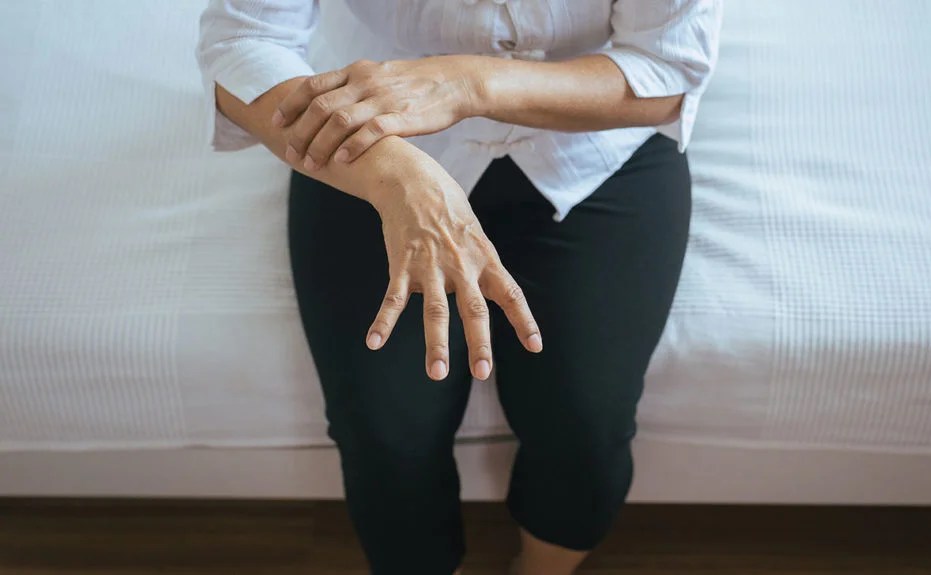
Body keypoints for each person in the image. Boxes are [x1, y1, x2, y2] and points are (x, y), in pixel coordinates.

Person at [196, 1, 722, 573]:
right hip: (369, 147)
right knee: (386, 435)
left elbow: (664, 68)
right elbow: (240, 43)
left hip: (593, 151)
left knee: (586, 429)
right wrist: (395, 174)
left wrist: (468, 82)